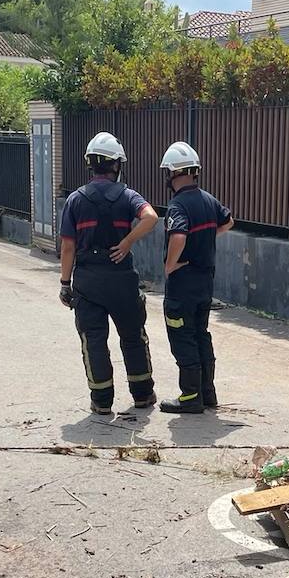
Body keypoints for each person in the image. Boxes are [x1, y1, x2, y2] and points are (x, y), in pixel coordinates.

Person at [58, 132, 159, 415]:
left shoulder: (75, 200)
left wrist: (65, 284)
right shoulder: (128, 196)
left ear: (90, 164)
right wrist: (127, 242)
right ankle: (143, 395)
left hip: (88, 280)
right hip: (121, 277)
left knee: (94, 340)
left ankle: (101, 401)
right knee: (133, 336)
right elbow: (150, 218)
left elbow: (68, 247)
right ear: (116, 165)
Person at [157, 141, 234, 414]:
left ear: (172, 173)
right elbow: (228, 222)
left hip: (183, 284)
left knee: (182, 335)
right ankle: (207, 392)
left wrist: (170, 264)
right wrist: (206, 238)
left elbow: (178, 235)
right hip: (205, 283)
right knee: (201, 334)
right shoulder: (209, 199)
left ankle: (190, 397)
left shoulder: (177, 206)